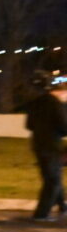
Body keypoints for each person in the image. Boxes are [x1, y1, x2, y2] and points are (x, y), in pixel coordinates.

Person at [24, 71, 67, 222]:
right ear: (60, 92)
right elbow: (64, 126)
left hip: (37, 144)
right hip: (52, 145)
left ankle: (62, 205)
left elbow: (29, 125)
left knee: (51, 176)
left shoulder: (35, 103)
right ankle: (41, 214)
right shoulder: (56, 104)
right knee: (53, 180)